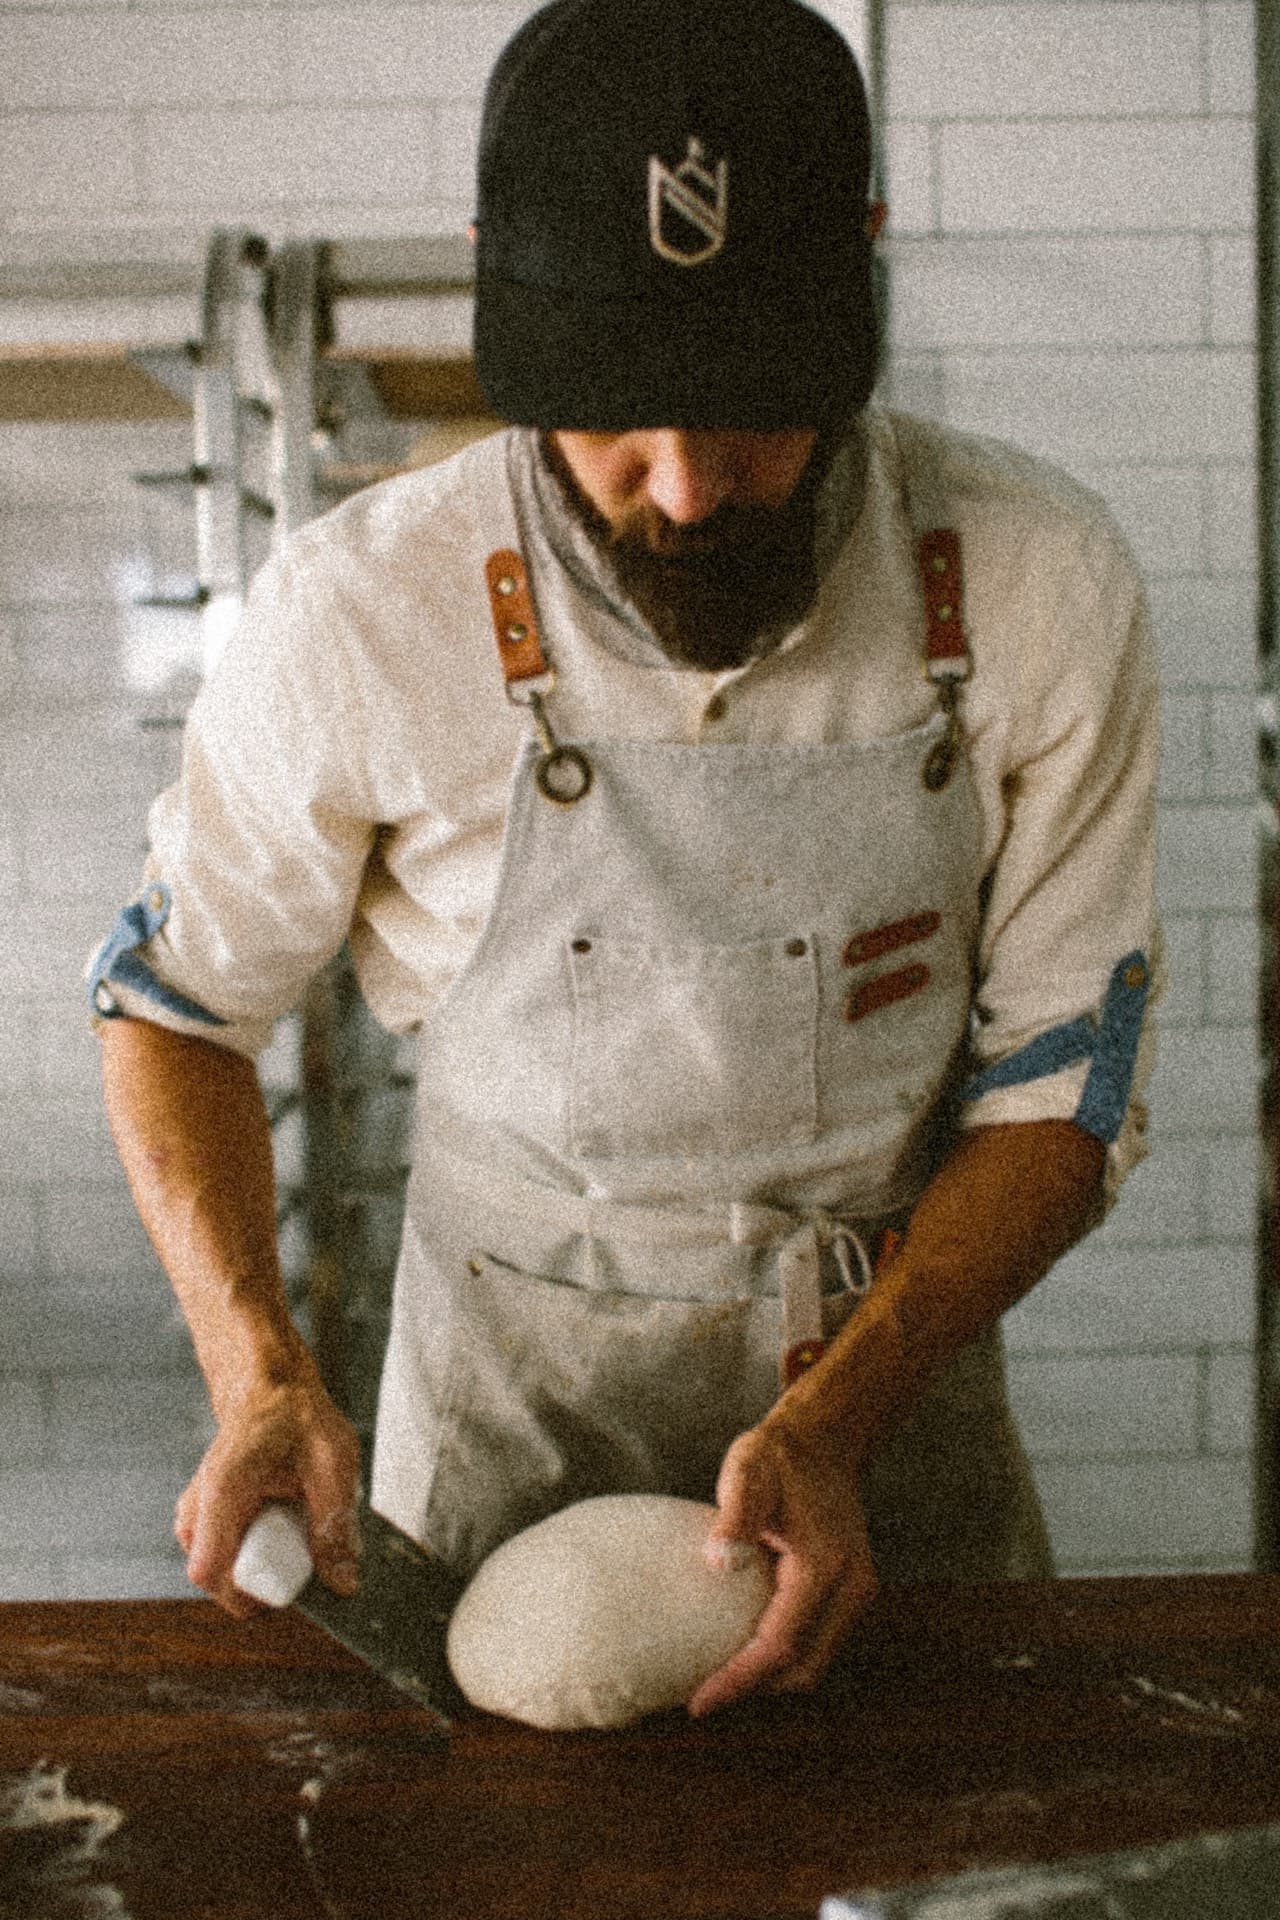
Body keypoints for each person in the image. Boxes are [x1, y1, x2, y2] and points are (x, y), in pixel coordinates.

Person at [91, 0, 1159, 1717]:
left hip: (895, 1436)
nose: (686, 486)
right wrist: (255, 1370)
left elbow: (1059, 1094)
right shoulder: (365, 611)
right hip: (505, 1445)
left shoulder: (1031, 583)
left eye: (755, 417)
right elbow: (176, 1006)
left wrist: (834, 1421)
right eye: (616, 420)